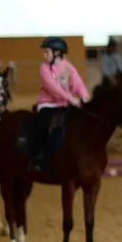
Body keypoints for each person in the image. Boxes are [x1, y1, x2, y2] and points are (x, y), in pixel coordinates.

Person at [28, 37, 90, 172]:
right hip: (47, 104)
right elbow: (52, 88)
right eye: (44, 52)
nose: (44, 55)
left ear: (57, 52)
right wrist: (71, 99)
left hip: (64, 104)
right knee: (44, 124)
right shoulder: (43, 68)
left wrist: (84, 96)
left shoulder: (68, 67)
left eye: (47, 52)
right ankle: (38, 156)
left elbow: (77, 83)